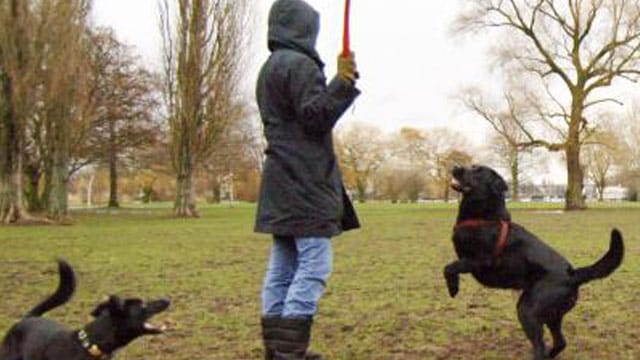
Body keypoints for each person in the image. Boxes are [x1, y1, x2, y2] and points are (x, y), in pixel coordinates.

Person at [254, 0, 361, 359]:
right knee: (314, 262)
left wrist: (336, 81)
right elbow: (315, 117)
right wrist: (342, 82)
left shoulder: (270, 67)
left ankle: (277, 349)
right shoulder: (300, 65)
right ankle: (288, 353)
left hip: (280, 180)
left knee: (283, 265)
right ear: (303, 28)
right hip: (304, 181)